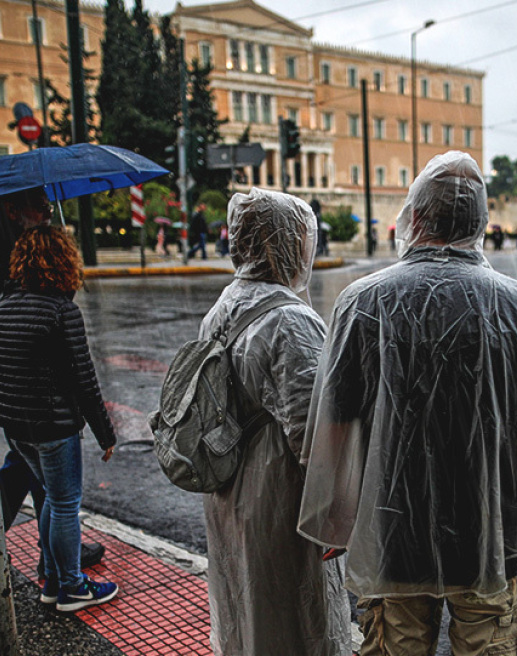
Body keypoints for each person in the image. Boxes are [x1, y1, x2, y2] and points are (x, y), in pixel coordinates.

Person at [298, 152, 517, 656]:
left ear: (414, 217)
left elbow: (334, 426)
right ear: (481, 223)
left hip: (393, 525)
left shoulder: (363, 302)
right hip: (492, 528)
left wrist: (335, 517)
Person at [202, 189, 350, 656]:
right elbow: (314, 433)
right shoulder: (291, 320)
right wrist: (335, 514)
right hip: (280, 498)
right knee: (295, 618)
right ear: (283, 244)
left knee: (245, 609)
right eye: (304, 238)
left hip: (229, 487)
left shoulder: (223, 307)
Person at [0, 187, 105, 573]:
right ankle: (61, 568)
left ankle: (53, 556)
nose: (47, 212)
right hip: (28, 393)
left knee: (35, 473)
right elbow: (78, 372)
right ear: (12, 210)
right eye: (39, 206)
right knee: (55, 491)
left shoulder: (19, 245)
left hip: (17, 396)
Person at [0, 224, 119, 612]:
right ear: (64, 261)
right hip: (53, 425)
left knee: (49, 496)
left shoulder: (2, 303)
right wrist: (105, 433)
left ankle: (50, 577)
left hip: (15, 425)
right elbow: (84, 379)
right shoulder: (63, 311)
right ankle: (72, 587)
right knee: (64, 503)